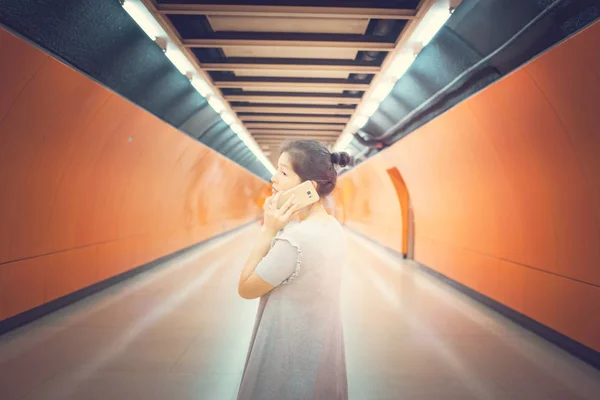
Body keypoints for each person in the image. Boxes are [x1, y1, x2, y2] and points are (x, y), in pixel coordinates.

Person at [237, 140, 352, 400]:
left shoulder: (294, 240)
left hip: (287, 358)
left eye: (283, 172)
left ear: (308, 188)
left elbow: (246, 288)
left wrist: (269, 229)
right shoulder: (332, 227)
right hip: (319, 351)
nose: (273, 177)